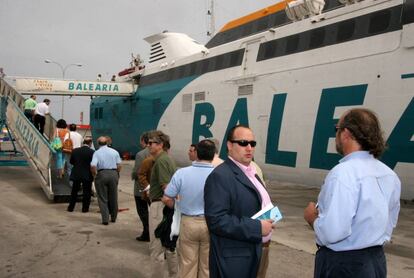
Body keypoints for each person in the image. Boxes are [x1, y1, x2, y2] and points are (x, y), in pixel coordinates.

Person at [304, 108, 401, 278]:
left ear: (346, 133)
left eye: (337, 129)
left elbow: (333, 232)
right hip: (376, 261)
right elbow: (388, 224)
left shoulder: (343, 173)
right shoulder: (389, 175)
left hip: (344, 265)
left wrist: (312, 218)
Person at [204, 125, 274, 278]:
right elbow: (216, 220)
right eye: (243, 143)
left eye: (252, 143)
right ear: (229, 145)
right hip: (234, 260)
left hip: (253, 251)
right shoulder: (220, 176)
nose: (249, 148)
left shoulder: (252, 173)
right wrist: (257, 227)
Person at [162, 139, 215, 278]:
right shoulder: (220, 175)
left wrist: (178, 206)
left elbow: (167, 198)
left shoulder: (182, 173)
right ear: (214, 154)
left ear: (197, 153)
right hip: (211, 223)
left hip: (188, 222)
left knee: (187, 265)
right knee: (207, 267)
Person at [147, 130, 178, 278]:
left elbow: (167, 188)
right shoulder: (166, 159)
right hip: (167, 207)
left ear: (161, 145)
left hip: (160, 206)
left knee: (156, 247)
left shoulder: (161, 161)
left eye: (151, 143)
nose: (148, 145)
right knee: (169, 246)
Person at [90, 136, 122, 225]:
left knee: (102, 198)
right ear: (107, 143)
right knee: (113, 197)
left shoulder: (97, 153)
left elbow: (93, 166)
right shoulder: (114, 152)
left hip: (102, 174)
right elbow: (119, 165)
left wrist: (95, 175)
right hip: (113, 173)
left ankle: (105, 219)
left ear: (98, 143)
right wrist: (116, 174)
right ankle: (113, 217)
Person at [131, 132, 150, 241]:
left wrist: (132, 176)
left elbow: (137, 172)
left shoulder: (140, 154)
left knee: (142, 211)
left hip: (141, 187)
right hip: (154, 186)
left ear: (143, 141)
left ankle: (147, 232)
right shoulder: (158, 153)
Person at [67, 137, 95, 213]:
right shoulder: (92, 152)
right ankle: (85, 209)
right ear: (90, 143)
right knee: (87, 192)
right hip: (87, 174)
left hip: (76, 173)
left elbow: (71, 162)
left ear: (83, 142)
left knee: (74, 191)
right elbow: (93, 164)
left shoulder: (75, 151)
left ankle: (71, 207)